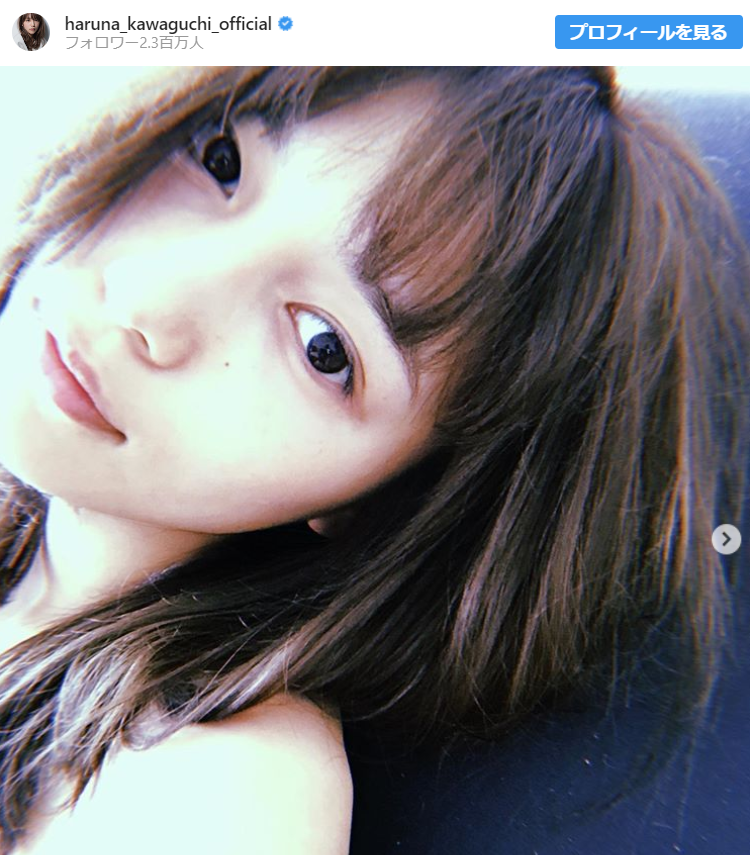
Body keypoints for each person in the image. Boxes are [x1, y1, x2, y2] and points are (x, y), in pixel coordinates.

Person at [0, 67, 747, 854]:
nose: (145, 294)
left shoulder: (215, 784)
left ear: (384, 504)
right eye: (221, 160)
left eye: (323, 346)